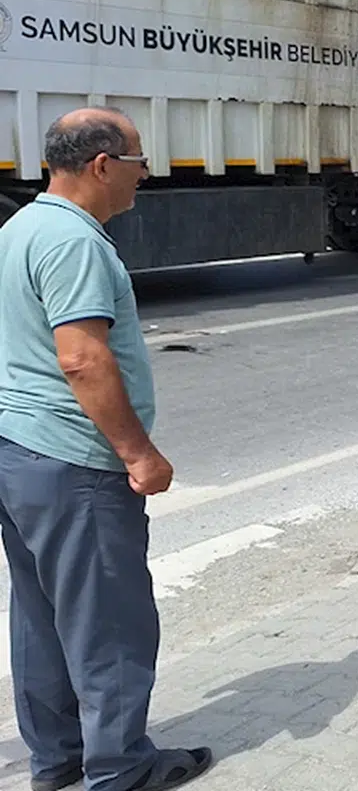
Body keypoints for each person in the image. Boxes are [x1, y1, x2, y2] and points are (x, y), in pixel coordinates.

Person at [0, 108, 213, 791]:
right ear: (101, 164)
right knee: (110, 623)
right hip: (73, 461)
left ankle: (57, 759)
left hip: (19, 453)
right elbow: (83, 358)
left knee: (41, 616)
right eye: (138, 160)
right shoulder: (75, 243)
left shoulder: (21, 227)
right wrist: (139, 452)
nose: (145, 174)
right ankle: (119, 768)